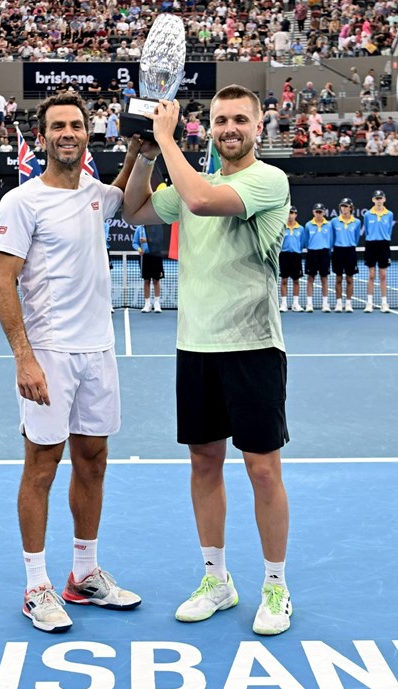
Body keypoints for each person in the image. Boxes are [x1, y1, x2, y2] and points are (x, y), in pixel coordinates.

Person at [122, 84, 294, 635]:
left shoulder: (267, 181)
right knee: (204, 463)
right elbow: (137, 210)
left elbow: (197, 201)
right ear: (211, 127)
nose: (229, 129)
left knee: (262, 469)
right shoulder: (196, 176)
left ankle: (275, 586)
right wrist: (146, 154)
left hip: (253, 345)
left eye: (240, 119)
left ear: (258, 127)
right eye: (221, 120)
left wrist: (169, 140)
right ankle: (217, 579)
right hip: (195, 345)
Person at [0, 91, 144, 634]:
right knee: (42, 465)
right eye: (57, 125)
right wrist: (24, 358)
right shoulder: (22, 202)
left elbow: (122, 195)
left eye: (76, 125)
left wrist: (138, 151)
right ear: (42, 137)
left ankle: (83, 575)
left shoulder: (94, 194)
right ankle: (37, 585)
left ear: (86, 134)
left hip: (99, 351)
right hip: (50, 355)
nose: (68, 133)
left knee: (94, 459)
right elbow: (3, 280)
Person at [362, 189, 393, 313]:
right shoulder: (368, 214)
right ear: (373, 200)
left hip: (384, 245)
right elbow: (367, 231)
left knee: (383, 275)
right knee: (371, 275)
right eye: (377, 198)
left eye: (381, 198)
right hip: (371, 245)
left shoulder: (390, 214)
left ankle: (384, 303)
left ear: (384, 199)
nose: (379, 200)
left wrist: (384, 238)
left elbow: (389, 230)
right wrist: (372, 238)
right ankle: (369, 303)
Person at [331, 198, 361, 311]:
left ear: (350, 208)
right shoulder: (334, 221)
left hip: (350, 251)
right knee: (338, 279)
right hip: (338, 251)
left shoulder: (357, 222)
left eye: (346, 206)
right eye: (342, 206)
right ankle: (339, 303)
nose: (343, 208)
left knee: (349, 279)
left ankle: (348, 303)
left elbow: (357, 238)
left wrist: (350, 244)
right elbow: (332, 237)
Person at [303, 202, 333, 312]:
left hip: (324, 253)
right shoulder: (308, 225)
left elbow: (331, 240)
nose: (319, 214)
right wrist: (311, 248)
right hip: (312, 253)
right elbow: (306, 240)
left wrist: (327, 249)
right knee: (310, 278)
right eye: (317, 212)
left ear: (324, 212)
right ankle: (309, 304)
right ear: (313, 212)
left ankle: (325, 304)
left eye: (320, 212)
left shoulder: (329, 225)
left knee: (324, 278)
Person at [132, 223, 164, 313]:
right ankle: (147, 304)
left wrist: (147, 240)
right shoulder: (140, 228)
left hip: (156, 256)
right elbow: (134, 243)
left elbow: (159, 240)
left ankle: (157, 304)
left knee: (156, 280)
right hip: (145, 257)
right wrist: (139, 249)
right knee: (146, 280)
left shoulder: (158, 226)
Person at [280, 206, 305, 312]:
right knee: (284, 280)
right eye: (289, 213)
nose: (290, 215)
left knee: (296, 280)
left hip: (296, 256)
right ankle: (284, 304)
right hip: (284, 255)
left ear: (296, 215)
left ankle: (295, 304)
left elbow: (302, 242)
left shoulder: (301, 229)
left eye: (292, 213)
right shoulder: (281, 227)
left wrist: (297, 251)